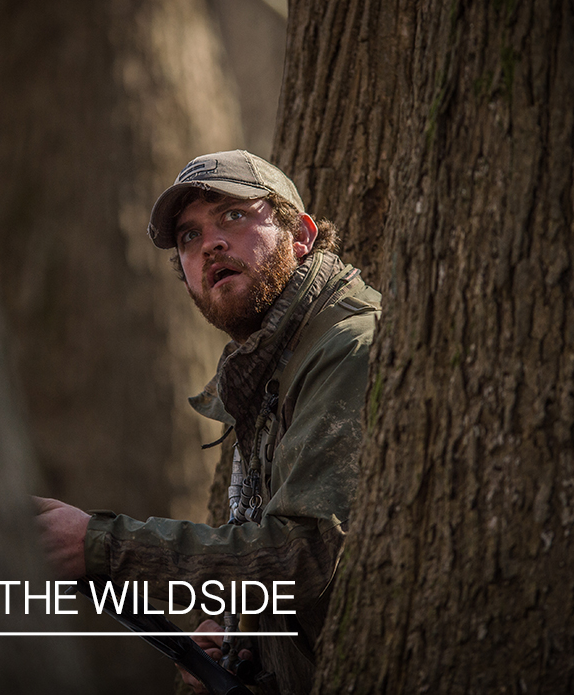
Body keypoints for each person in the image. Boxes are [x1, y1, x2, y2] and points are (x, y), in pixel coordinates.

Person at [35, 150, 381, 694]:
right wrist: (241, 633)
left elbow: (308, 557)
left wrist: (97, 544)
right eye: (189, 238)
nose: (211, 243)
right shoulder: (266, 367)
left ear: (303, 236)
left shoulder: (348, 349)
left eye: (234, 216)